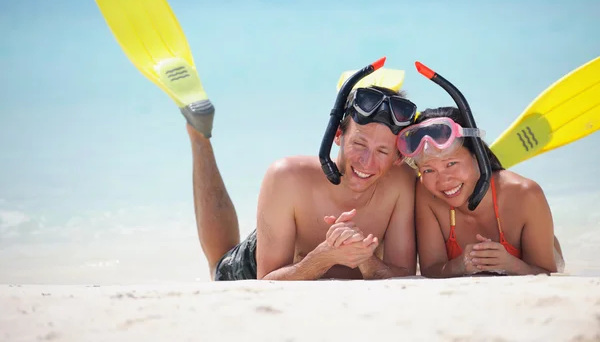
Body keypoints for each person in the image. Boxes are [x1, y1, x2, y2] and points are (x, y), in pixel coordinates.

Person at [184, 70, 420, 281]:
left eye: (382, 151)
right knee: (218, 266)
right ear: (338, 134)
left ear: (397, 157)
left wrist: (363, 258)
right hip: (263, 263)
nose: (367, 162)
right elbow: (266, 280)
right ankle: (199, 135)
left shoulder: (402, 182)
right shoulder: (287, 177)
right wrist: (323, 256)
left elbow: (402, 274)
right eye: (359, 144)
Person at [396, 106, 565, 278]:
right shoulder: (427, 194)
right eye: (428, 170)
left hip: (547, 253)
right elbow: (431, 270)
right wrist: (460, 266)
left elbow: (547, 273)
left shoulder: (525, 193)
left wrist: (511, 265)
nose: (443, 180)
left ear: (478, 155)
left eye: (451, 164)